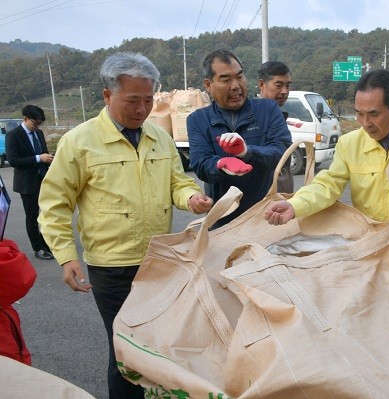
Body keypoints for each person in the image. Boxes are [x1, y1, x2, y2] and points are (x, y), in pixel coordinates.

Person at [38, 52, 213, 399]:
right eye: (132, 100)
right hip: (112, 266)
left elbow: (177, 181)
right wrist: (66, 256)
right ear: (107, 95)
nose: (142, 109)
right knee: (126, 350)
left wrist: (191, 197)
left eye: (148, 100)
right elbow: (54, 203)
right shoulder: (79, 141)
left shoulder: (159, 138)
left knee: (159, 344)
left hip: (160, 262)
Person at [265, 68, 389, 225]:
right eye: (359, 114)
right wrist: (294, 205)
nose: (365, 123)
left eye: (373, 114)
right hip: (371, 242)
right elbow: (327, 185)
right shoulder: (349, 144)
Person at [188, 49, 292, 227]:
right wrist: (221, 164)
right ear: (208, 85)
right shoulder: (198, 120)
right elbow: (200, 163)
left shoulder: (268, 110)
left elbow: (281, 151)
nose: (236, 86)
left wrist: (247, 152)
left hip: (264, 215)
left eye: (240, 77)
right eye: (225, 79)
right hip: (222, 218)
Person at [5, 105, 54, 260]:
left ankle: (46, 243)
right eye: (35, 123)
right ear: (25, 118)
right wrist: (39, 158)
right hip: (27, 183)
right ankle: (38, 248)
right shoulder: (14, 135)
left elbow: (43, 153)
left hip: (43, 179)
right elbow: (13, 160)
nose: (37, 126)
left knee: (47, 214)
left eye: (39, 124)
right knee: (32, 216)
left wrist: (49, 158)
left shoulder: (38, 133)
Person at [258, 60, 294, 193]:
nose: (284, 91)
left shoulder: (278, 115)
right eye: (278, 85)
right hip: (265, 201)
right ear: (262, 84)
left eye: (288, 86)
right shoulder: (253, 117)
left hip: (282, 200)